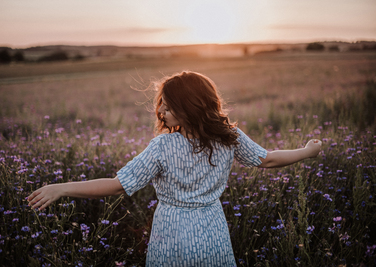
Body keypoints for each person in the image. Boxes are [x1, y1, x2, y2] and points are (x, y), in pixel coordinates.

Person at [27, 71, 322, 266]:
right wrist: (308, 151)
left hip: (171, 232)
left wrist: (62, 188)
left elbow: (118, 185)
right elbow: (268, 159)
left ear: (189, 107)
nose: (160, 112)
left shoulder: (162, 147)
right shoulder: (228, 136)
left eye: (167, 106)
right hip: (212, 230)